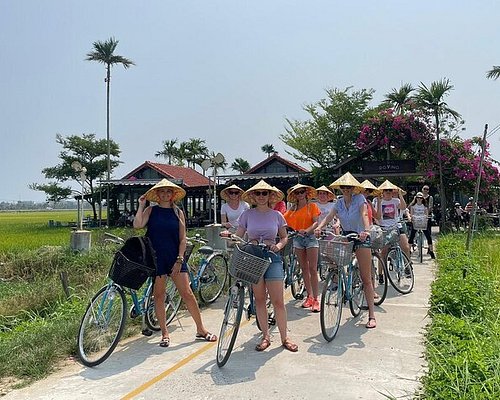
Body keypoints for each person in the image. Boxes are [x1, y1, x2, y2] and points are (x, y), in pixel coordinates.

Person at [133, 179, 217, 347]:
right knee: (159, 295)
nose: (165, 194)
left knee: (187, 293)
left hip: (175, 257)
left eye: (168, 192)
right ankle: (164, 333)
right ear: (157, 194)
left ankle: (201, 329)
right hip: (156, 259)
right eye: (162, 191)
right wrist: (141, 205)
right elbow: (138, 225)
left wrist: (179, 259)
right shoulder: (151, 210)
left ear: (173, 195)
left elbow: (183, 239)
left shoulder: (178, 213)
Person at [231, 180, 298, 352]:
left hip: (272, 257)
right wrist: (230, 236)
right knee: (259, 299)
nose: (261, 196)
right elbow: (239, 235)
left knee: (278, 301)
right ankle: (265, 336)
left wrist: (279, 246)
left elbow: (284, 237)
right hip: (253, 256)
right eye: (258, 193)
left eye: (265, 193)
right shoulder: (247, 215)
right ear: (253, 196)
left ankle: (285, 337)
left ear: (270, 196)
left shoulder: (277, 215)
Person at [314, 172, 377, 329]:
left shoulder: (360, 199)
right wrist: (320, 227)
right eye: (343, 187)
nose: (346, 189)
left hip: (361, 236)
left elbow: (364, 214)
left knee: (366, 278)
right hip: (346, 235)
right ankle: (336, 277)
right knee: (329, 249)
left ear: (354, 188)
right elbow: (329, 216)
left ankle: (371, 315)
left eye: (349, 187)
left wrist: (367, 230)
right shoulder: (339, 202)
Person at [284, 184, 321, 312]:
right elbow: (284, 222)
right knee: (304, 268)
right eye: (297, 192)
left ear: (306, 193)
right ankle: (309, 296)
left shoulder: (312, 207)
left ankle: (316, 298)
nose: (299, 194)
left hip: (310, 238)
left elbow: (316, 222)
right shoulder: (292, 209)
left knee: (312, 269)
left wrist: (307, 230)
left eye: (301, 192)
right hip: (297, 239)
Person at [373, 180, 411, 261]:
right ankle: (381, 273)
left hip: (396, 226)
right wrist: (379, 225)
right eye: (386, 190)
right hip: (384, 228)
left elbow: (403, 207)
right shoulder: (379, 202)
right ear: (382, 192)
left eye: (390, 190)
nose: (388, 192)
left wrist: (400, 194)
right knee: (383, 252)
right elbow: (377, 217)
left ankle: (408, 265)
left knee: (406, 247)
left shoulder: (396, 201)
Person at [407, 192, 435, 259]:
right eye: (418, 198)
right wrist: (412, 218)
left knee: (428, 236)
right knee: (412, 236)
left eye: (420, 198)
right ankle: (408, 251)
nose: (419, 199)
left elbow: (426, 214)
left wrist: (426, 217)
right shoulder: (413, 206)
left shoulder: (425, 206)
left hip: (423, 223)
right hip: (415, 222)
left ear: (422, 199)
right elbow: (411, 213)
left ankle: (431, 251)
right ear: (416, 198)